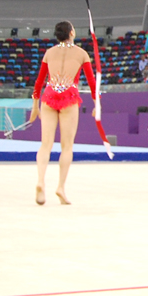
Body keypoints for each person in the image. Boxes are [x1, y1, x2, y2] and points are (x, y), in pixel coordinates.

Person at [29, 21, 96, 205]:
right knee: (67, 147)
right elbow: (91, 81)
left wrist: (35, 105)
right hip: (69, 97)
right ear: (72, 32)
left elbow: (39, 81)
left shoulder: (49, 53)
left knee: (45, 145)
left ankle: (41, 181)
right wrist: (97, 104)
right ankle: (60, 187)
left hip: (49, 96)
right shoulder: (82, 54)